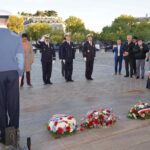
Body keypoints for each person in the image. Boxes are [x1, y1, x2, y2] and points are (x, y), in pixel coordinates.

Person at [0, 10, 24, 144]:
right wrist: (19, 74)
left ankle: (3, 134)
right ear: (7, 21)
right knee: (13, 105)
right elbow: (20, 58)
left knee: (0, 105)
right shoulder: (15, 36)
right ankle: (13, 135)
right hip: (12, 73)